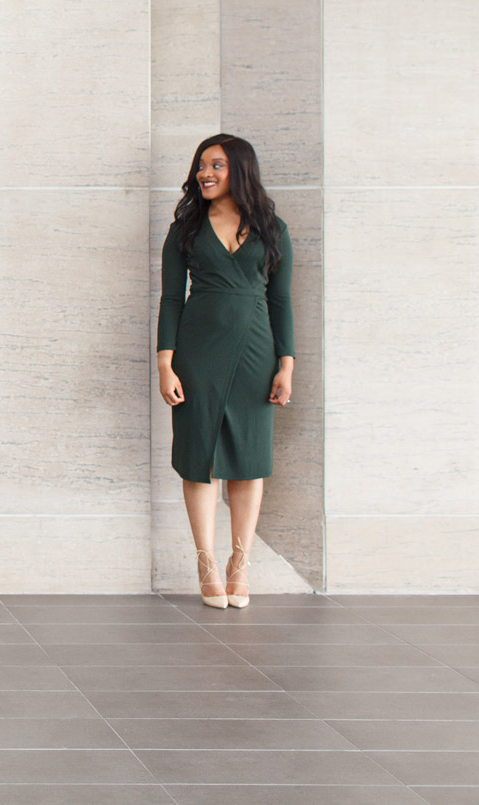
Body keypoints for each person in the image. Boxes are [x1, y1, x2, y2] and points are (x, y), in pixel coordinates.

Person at [156, 133, 294, 610]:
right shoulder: (186, 229)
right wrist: (165, 362)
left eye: (216, 164)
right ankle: (206, 562)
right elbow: (172, 298)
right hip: (197, 353)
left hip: (257, 352)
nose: (204, 173)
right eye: (200, 166)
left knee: (249, 459)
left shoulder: (272, 228)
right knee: (198, 455)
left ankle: (240, 562)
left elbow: (281, 300)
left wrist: (286, 365)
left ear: (240, 168)